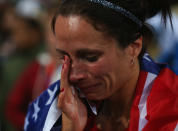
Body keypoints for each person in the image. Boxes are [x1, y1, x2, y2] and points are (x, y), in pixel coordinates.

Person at [24, 0, 178, 131]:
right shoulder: (50, 108)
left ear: (133, 47)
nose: (73, 75)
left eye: (90, 58)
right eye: (64, 57)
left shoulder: (170, 111)